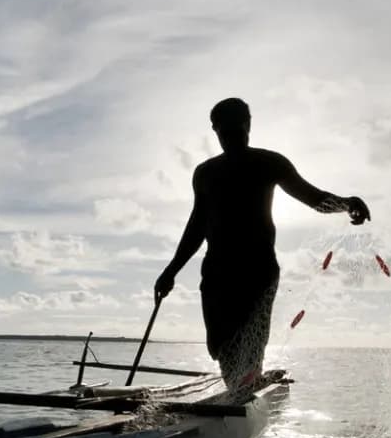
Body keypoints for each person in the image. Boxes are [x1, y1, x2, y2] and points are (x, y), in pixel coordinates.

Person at [154, 97, 370, 389]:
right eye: (222, 130)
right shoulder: (205, 173)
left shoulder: (269, 162)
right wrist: (171, 271)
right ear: (215, 130)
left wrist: (346, 204)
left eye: (235, 127)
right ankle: (241, 388)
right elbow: (197, 225)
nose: (229, 135)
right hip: (218, 271)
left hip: (258, 270)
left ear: (248, 125)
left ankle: (246, 387)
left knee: (250, 342)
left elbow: (313, 199)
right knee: (219, 344)